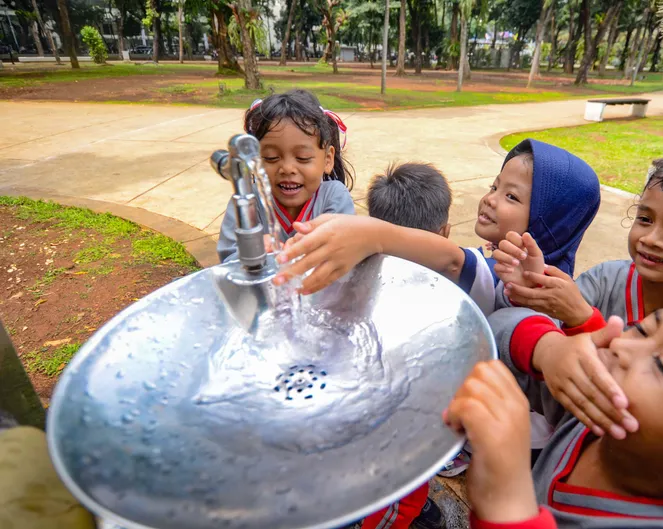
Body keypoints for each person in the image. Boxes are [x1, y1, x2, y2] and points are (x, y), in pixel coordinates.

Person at [448, 281, 663, 529]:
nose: (622, 347)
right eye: (645, 329)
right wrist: (549, 349)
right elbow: (496, 326)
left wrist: (508, 507)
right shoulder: (597, 411)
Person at [493, 147, 663, 438]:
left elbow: (641, 418)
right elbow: (503, 325)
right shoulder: (608, 278)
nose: (651, 238)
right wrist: (530, 295)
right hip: (555, 447)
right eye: (645, 219)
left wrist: (583, 322)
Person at [275, 139, 601, 318]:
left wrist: (372, 234)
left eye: (511, 196)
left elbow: (453, 260)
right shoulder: (500, 267)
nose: (489, 199)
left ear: (550, 219)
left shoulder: (543, 292)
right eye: (494, 186)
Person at [360, 161, 453, 529]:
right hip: (401, 445)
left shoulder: (359, 272)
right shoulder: (442, 297)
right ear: (444, 233)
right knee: (397, 499)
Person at [216, 89, 356, 263]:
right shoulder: (247, 202)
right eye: (271, 157)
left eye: (302, 158)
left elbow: (345, 252)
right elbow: (228, 262)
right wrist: (250, 253)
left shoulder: (334, 196)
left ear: (328, 159)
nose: (287, 169)